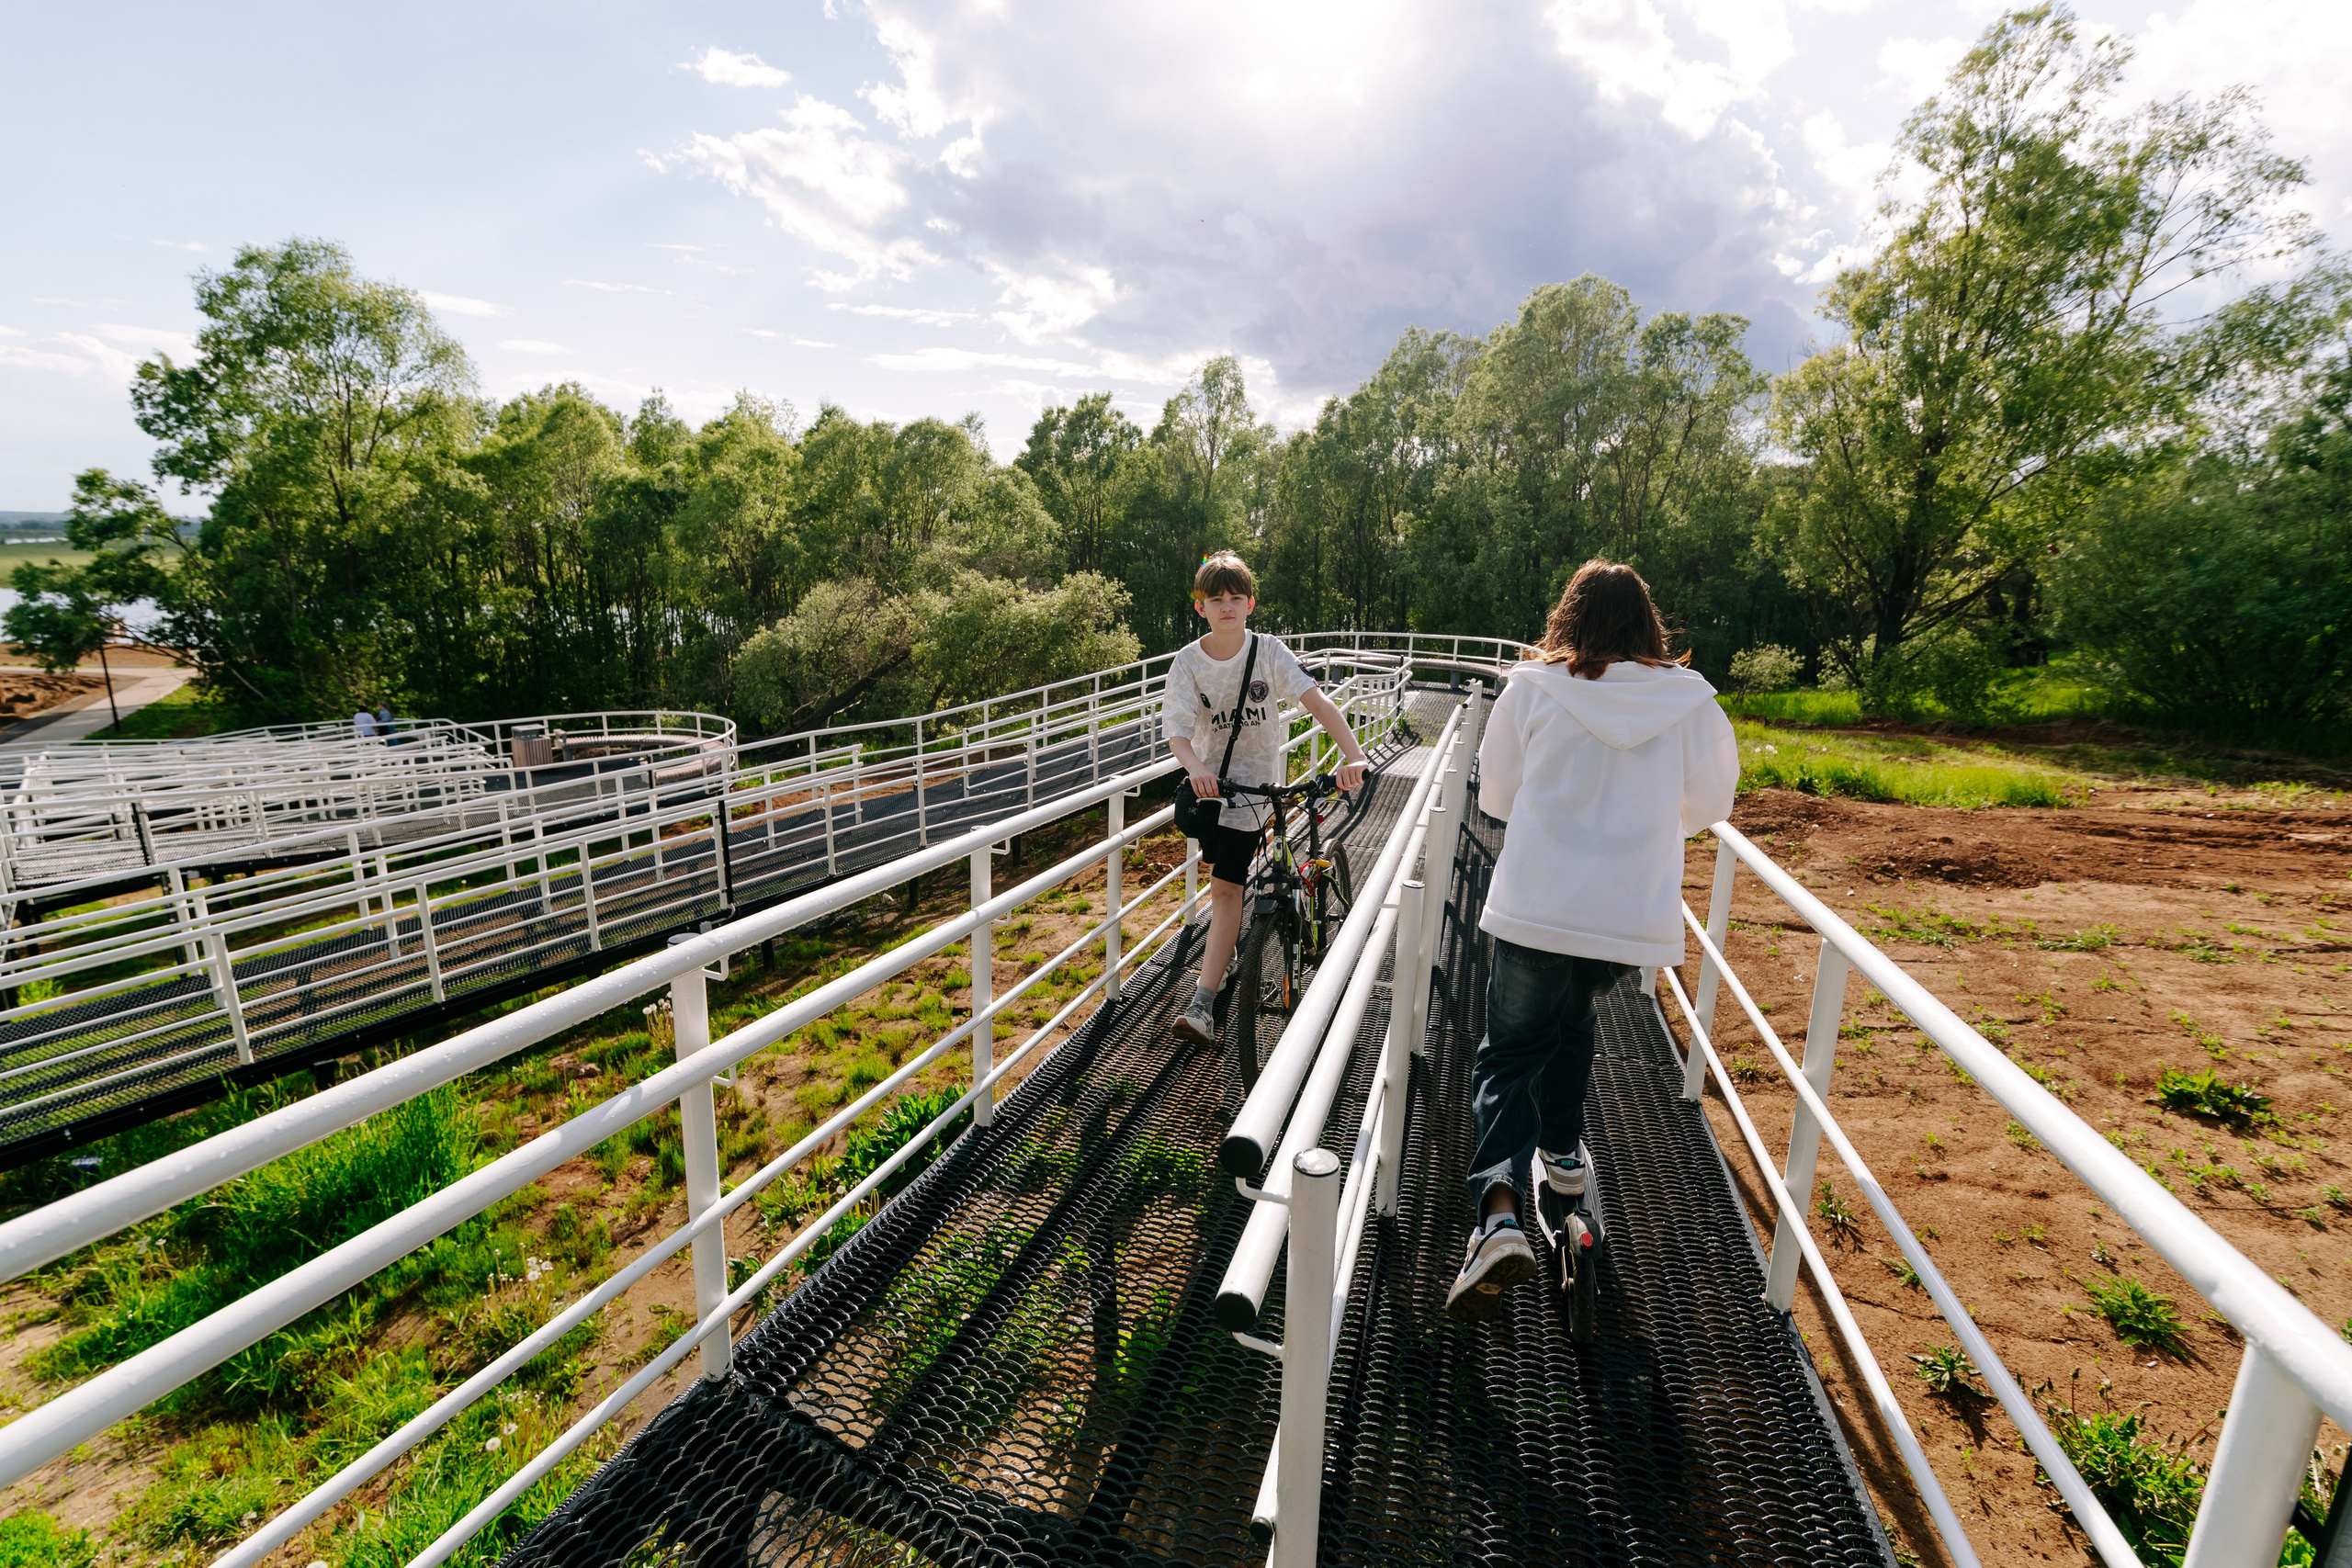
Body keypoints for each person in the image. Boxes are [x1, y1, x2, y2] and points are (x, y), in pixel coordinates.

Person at [1444, 560, 1738, 1323]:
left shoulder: (1534, 687)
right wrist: (1644, 824)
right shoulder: (1688, 699)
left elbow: (1498, 793)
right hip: (1623, 917)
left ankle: (1501, 1217)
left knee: (1509, 1055)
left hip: (1537, 903)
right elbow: (1710, 801)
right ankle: (1566, 1164)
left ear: (1568, 618)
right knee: (1574, 1022)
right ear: (1648, 623)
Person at [1163, 551, 1371, 1046]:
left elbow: (1317, 703)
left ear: (1251, 604)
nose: (1227, 607)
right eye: (1217, 600)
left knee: (1229, 885)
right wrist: (1196, 771)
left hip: (1263, 787)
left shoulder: (1270, 652)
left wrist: (1354, 757)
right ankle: (1213, 996)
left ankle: (1204, 1001)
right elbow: (1177, 732)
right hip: (1217, 794)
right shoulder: (1188, 664)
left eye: (1236, 598)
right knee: (1228, 888)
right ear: (1201, 608)